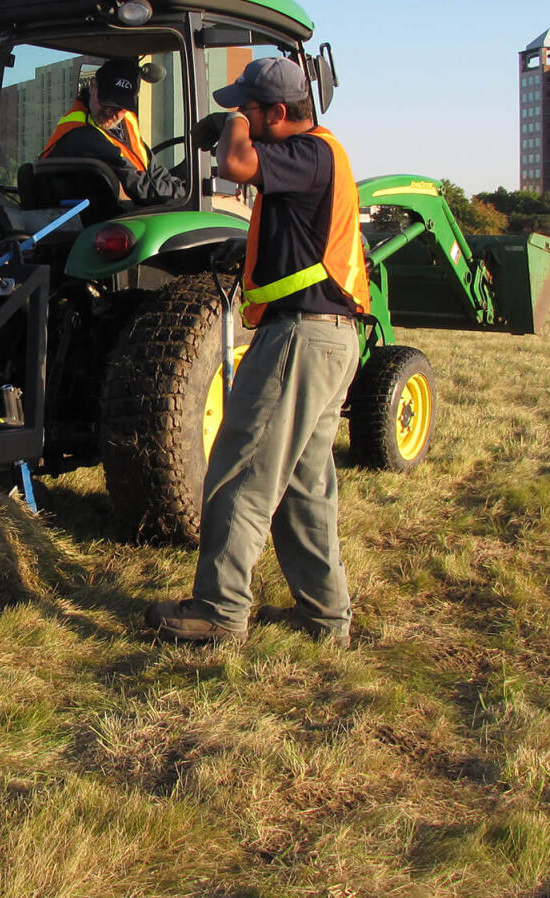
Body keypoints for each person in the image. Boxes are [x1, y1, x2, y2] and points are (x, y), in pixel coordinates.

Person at [144, 56, 370, 648]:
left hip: (301, 338)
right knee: (304, 483)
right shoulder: (315, 158)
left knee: (240, 469)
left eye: (248, 107)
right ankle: (325, 617)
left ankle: (219, 612)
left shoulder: (310, 152)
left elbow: (237, 163)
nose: (240, 115)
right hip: (326, 338)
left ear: (279, 112)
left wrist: (230, 126)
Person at [38, 57, 186, 204]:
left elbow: (152, 169)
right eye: (105, 102)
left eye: (119, 107)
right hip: (93, 215)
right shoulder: (82, 134)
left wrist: (176, 183)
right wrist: (184, 192)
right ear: (93, 86)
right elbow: (140, 188)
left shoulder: (126, 120)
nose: (110, 112)